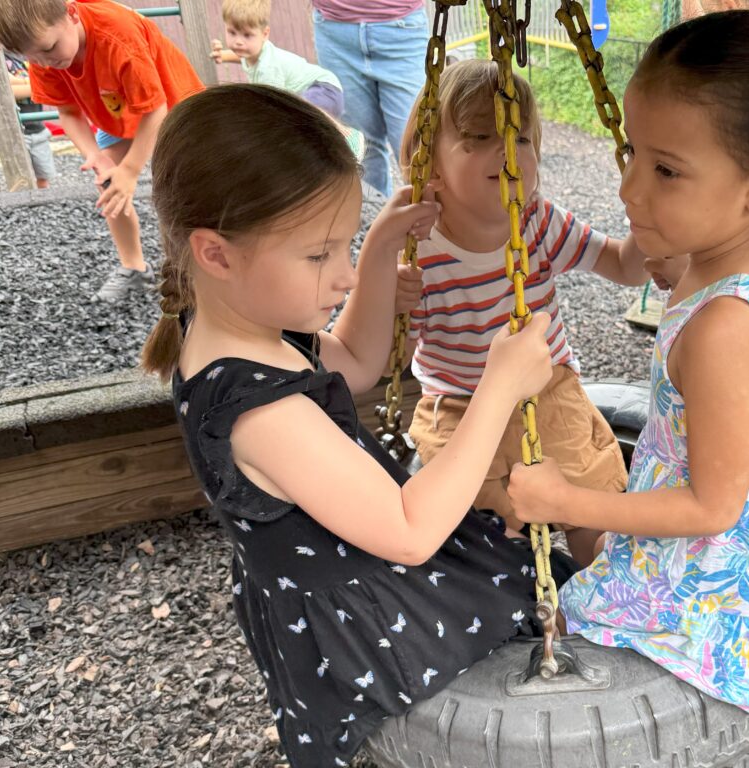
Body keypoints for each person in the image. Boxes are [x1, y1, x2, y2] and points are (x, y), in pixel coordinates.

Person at [140, 83, 575, 767]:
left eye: (342, 248)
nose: (340, 278)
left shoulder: (241, 322)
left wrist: (376, 253)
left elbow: (356, 363)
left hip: (352, 548)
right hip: (360, 617)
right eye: (321, 256)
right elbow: (409, 532)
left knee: (506, 542)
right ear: (215, 253)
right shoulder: (261, 412)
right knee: (531, 577)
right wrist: (499, 386)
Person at [509, 10, 749, 716]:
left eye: (665, 169)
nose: (630, 188)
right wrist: (679, 267)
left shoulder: (726, 328)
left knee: (566, 605)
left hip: (725, 577)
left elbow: (712, 506)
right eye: (634, 152)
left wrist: (561, 499)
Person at [394, 60, 649, 566]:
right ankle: (507, 596)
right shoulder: (422, 252)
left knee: (589, 498)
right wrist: (392, 301)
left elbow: (625, 266)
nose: (507, 149)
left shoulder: (539, 222)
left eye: (522, 138)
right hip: (461, 405)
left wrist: (648, 219)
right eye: (479, 137)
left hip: (546, 390)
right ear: (432, 166)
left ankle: (603, 584)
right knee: (479, 524)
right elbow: (393, 358)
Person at [0, 0, 203, 303]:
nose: (42, 63)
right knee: (110, 185)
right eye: (30, 57)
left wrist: (131, 171)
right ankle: (134, 267)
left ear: (71, 13)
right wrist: (94, 155)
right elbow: (67, 112)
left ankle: (199, 266)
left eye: (48, 49)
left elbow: (155, 110)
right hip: (114, 108)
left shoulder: (116, 35)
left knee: (185, 189)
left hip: (174, 106)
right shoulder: (44, 51)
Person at [311, 0, 429, 197]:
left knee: (414, 146)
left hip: (401, 27)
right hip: (333, 29)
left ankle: (431, 221)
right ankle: (376, 220)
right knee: (361, 148)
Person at [210, 0, 345, 121]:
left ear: (265, 34)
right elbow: (243, 57)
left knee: (294, 118)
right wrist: (224, 56)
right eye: (232, 32)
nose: (238, 42)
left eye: (247, 35)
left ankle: (347, 139)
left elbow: (274, 103)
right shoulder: (254, 51)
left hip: (324, 90)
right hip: (321, 88)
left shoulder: (268, 70)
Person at [3, 53, 58, 189]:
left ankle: (43, 203)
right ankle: (23, 204)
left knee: (44, 174)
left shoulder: (29, 55)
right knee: (21, 177)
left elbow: (46, 82)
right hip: (16, 132)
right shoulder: (2, 59)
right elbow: (7, 89)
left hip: (38, 128)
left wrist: (21, 83)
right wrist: (32, 83)